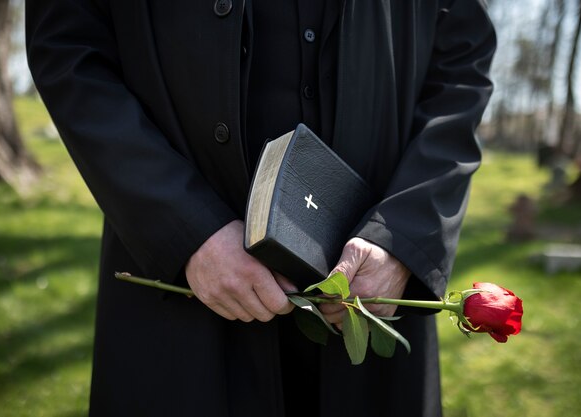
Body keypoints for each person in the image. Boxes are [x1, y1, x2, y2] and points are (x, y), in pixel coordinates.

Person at [25, 1, 496, 416]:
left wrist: (402, 237)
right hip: (185, 305)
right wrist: (185, 228)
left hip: (368, 298)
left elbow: (462, 60)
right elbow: (68, 45)